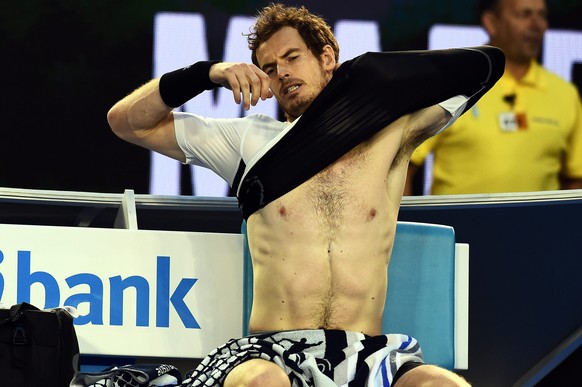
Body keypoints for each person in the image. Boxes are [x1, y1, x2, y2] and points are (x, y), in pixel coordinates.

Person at [107, 4, 504, 386]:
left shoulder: (390, 134)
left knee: (439, 384)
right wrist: (208, 73)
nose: (282, 73)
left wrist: (368, 77)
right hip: (271, 354)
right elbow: (127, 123)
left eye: (293, 57)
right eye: (269, 68)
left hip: (365, 354)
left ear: (328, 58)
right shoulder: (248, 140)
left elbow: (485, 66)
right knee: (262, 382)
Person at [405, 0, 582, 196]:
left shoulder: (564, 93)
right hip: (460, 225)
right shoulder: (453, 84)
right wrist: (400, 225)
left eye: (542, 15)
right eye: (524, 14)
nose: (537, 25)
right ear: (491, 22)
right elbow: (403, 164)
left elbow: (576, 178)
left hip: (540, 226)